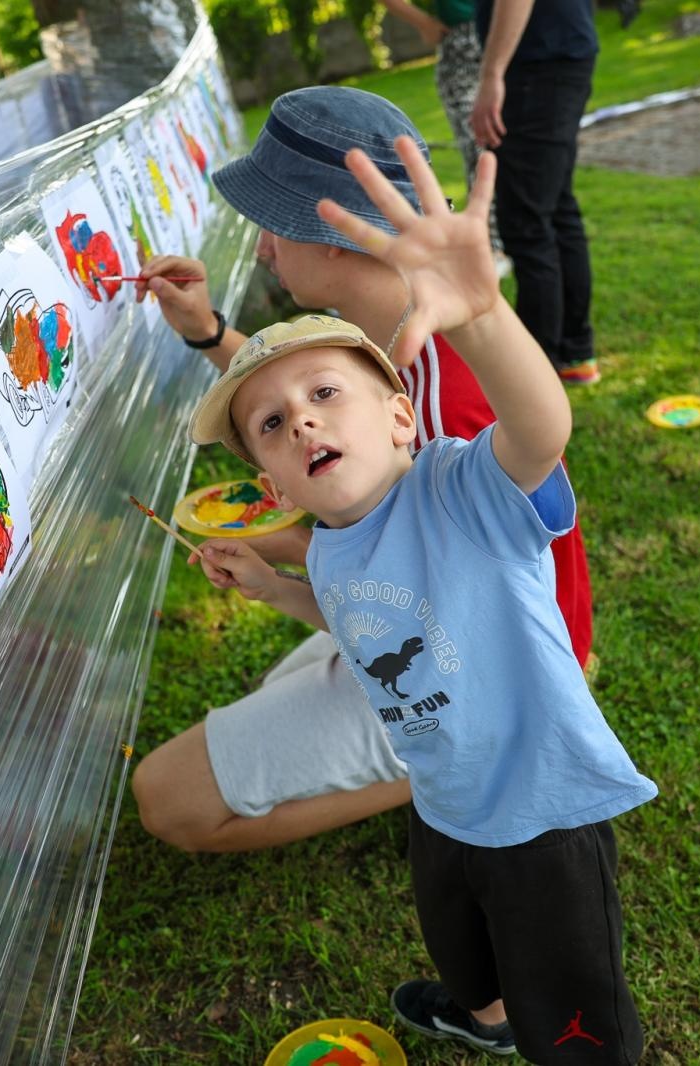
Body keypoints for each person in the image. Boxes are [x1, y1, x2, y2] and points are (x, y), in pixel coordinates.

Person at [184, 136, 653, 1061]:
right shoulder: (333, 543)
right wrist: (277, 584)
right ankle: (484, 1016)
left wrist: (481, 315)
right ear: (271, 486)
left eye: (323, 393)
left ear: (401, 416)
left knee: (574, 1011)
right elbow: (360, 627)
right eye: (273, 425)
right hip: (443, 799)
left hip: (539, 811)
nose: (304, 419)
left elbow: (540, 432)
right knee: (463, 944)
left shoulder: (456, 490)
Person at [130, 86, 594, 855]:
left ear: (337, 235)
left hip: (490, 679)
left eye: (273, 226)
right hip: (452, 626)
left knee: (168, 801)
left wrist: (284, 557)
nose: (264, 248)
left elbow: (430, 588)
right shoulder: (379, 337)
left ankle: (451, 766)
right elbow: (307, 386)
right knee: (275, 693)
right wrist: (209, 331)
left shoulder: (457, 403)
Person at [471, 0, 601, 384]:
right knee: (555, 208)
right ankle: (573, 353)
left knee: (527, 222)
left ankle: (537, 372)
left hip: (537, 63)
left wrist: (492, 74)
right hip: (557, 54)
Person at [377, 0, 508, 271]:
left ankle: (504, 242)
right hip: (463, 43)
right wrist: (424, 23)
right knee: (481, 149)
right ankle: (491, 246)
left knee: (506, 150)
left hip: (512, 37)